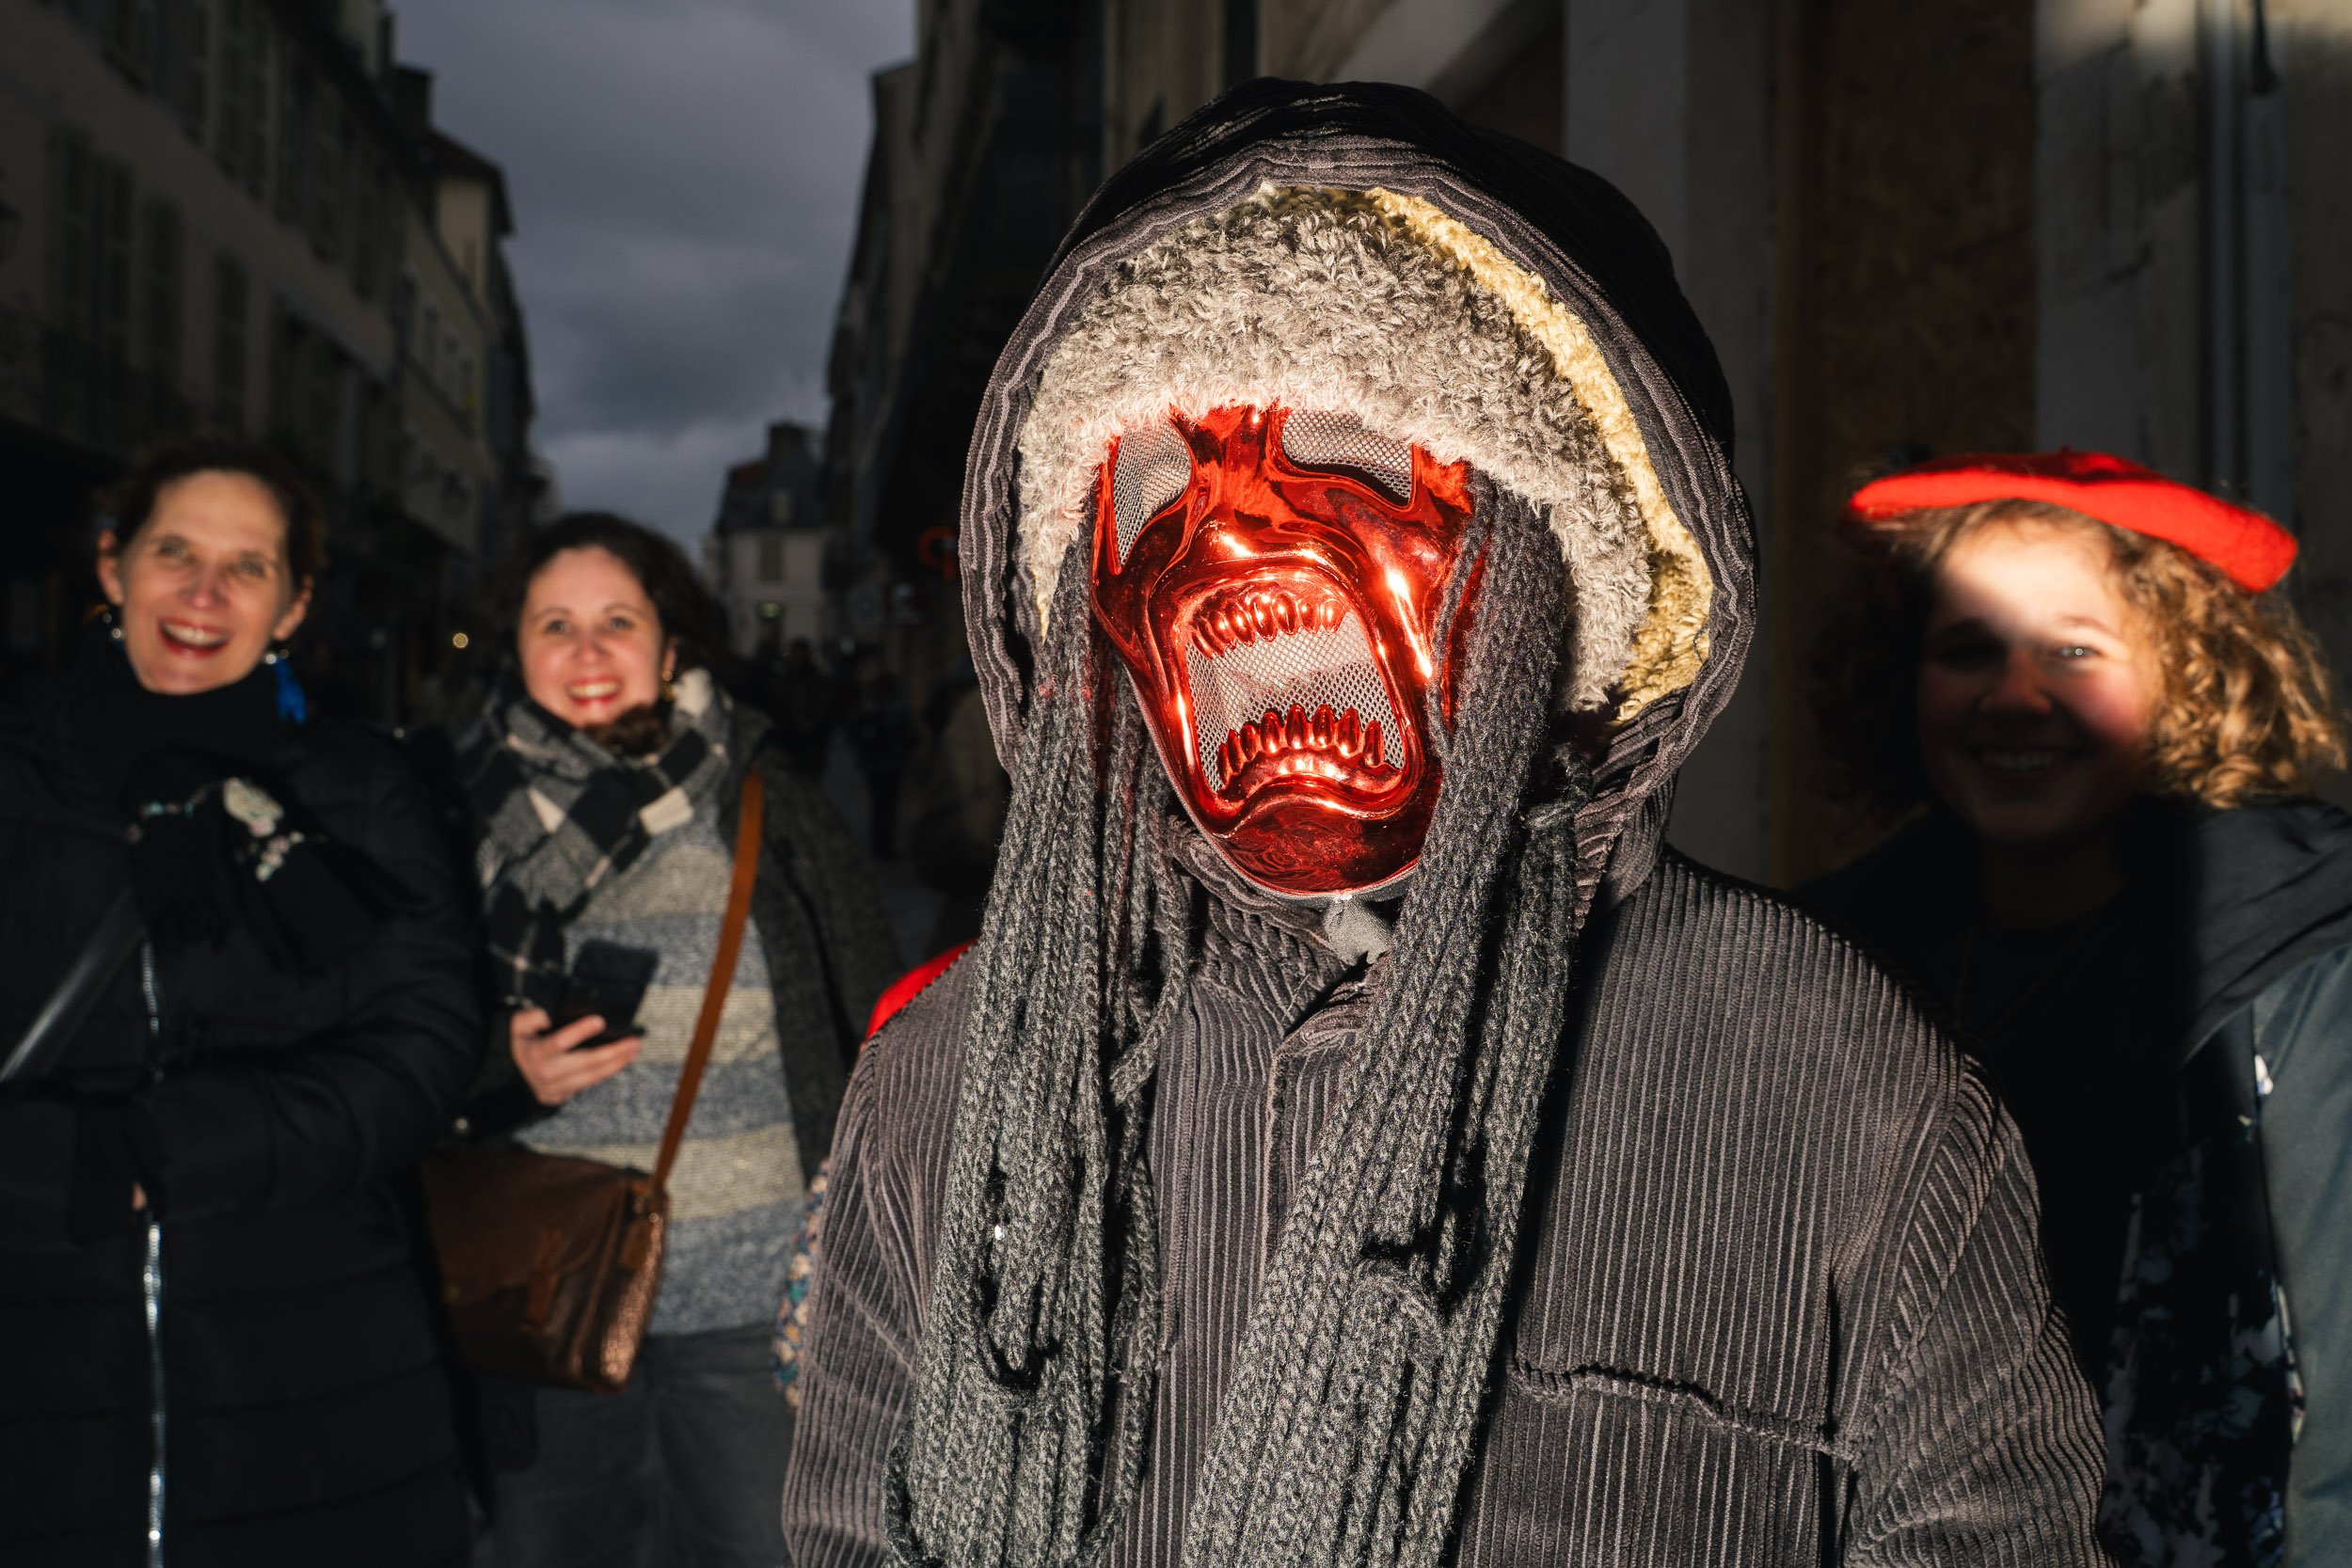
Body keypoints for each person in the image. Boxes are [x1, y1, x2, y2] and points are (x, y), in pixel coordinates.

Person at [780, 79, 2109, 1568]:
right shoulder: (952, 1083)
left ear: (1560, 557)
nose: (1231, 534)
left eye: (1346, 452)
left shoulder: (1838, 1080)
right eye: (1157, 483)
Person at [1802, 450, 2352, 1568]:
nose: (2015, 696)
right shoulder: (1830, 960)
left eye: (2072, 649)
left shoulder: (2305, 961)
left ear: (2183, 676)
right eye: (1968, 650)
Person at [0, 436, 482, 1565]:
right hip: (35, 1350)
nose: (204, 593)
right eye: (175, 551)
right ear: (113, 568)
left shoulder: (362, 787)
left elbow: (420, 1045)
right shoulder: (14, 771)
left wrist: (139, 1155)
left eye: (248, 565)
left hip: (318, 1363)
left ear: (294, 604)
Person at [455, 513, 897, 1568]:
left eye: (619, 620)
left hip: (753, 1302)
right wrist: (496, 1066)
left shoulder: (764, 799)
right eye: (554, 622)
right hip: (540, 1296)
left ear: (670, 645)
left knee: (761, 1544)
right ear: (515, 644)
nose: (588, 652)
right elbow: (403, 1030)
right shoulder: (455, 809)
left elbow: (874, 1014)